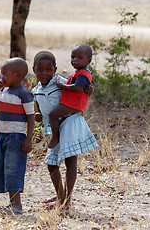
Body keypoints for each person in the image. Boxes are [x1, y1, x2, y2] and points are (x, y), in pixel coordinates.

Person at [31, 50, 98, 210]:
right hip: (54, 131)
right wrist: (38, 115)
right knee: (51, 164)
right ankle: (60, 194)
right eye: (40, 70)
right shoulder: (35, 91)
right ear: (34, 70)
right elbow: (41, 109)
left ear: (55, 69)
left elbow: (81, 87)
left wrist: (89, 89)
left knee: (70, 162)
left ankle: (66, 200)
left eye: (49, 69)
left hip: (68, 125)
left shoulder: (61, 81)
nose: (45, 73)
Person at [0, 57, 35, 215]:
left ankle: (17, 206)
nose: (2, 77)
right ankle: (11, 204)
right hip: (2, 136)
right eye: (1, 74)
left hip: (16, 138)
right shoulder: (2, 90)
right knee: (2, 168)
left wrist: (28, 139)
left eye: (5, 74)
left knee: (14, 169)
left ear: (18, 75)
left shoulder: (24, 94)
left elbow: (31, 116)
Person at [48, 43, 94, 149]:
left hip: (72, 104)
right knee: (62, 120)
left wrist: (62, 86)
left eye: (79, 58)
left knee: (52, 115)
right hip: (72, 103)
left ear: (89, 61)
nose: (75, 60)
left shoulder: (83, 74)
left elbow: (77, 87)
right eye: (72, 57)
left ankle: (55, 137)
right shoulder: (78, 72)